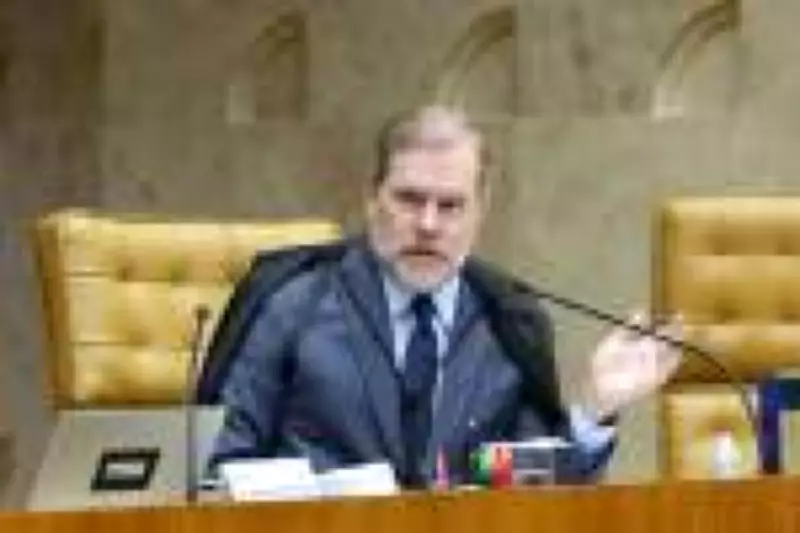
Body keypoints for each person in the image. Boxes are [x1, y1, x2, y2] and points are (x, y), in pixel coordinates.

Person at [209, 104, 682, 488]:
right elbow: (218, 471)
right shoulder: (292, 305)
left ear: (481, 212)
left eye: (451, 205)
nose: (428, 224)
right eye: (409, 200)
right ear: (372, 200)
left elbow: (535, 496)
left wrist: (593, 410)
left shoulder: (509, 320)